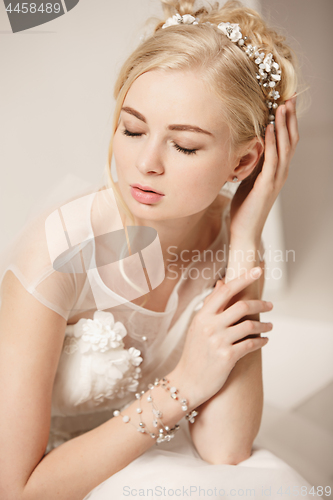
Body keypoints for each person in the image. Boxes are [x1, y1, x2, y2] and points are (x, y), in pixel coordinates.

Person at [0, 1, 319, 499]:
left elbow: (226, 448)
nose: (145, 162)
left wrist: (246, 240)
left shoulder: (229, 240)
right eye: (132, 129)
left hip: (143, 455)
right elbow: (16, 490)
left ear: (244, 161)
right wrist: (184, 387)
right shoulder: (56, 255)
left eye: (184, 146)